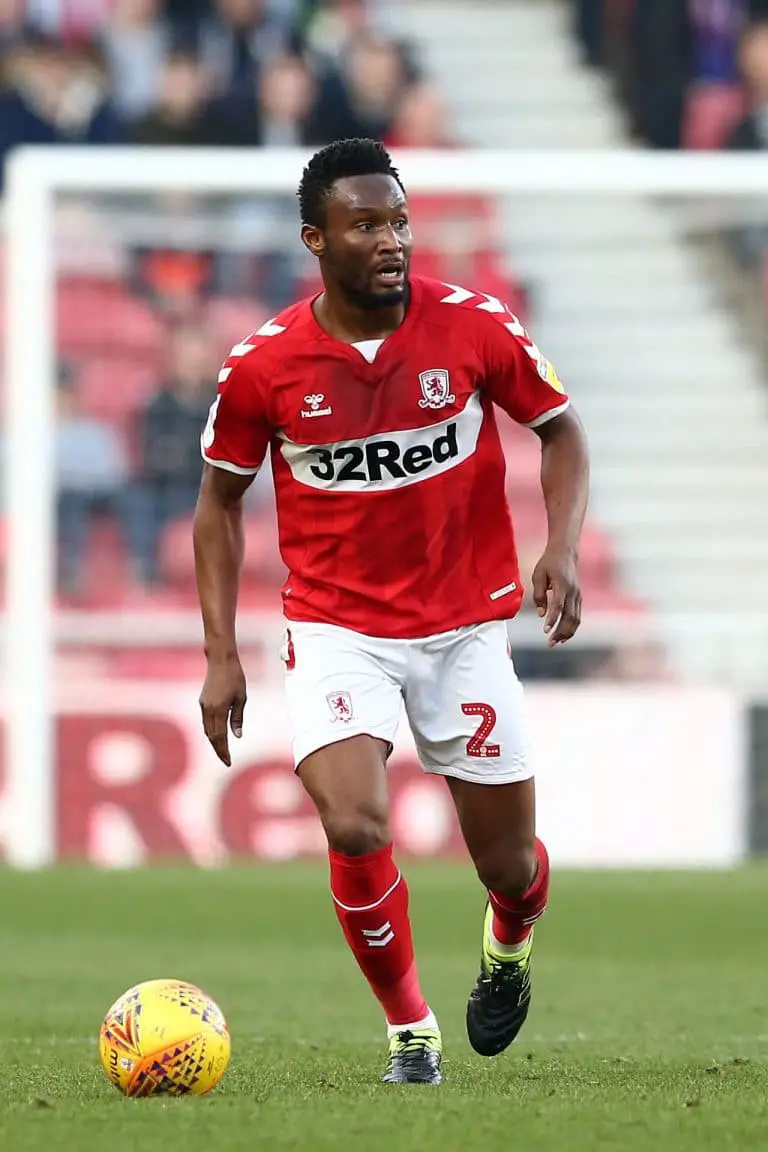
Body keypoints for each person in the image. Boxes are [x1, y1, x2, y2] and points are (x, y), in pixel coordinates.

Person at [193, 138, 589, 1085]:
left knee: (509, 867)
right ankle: (411, 1030)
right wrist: (220, 653)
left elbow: (562, 431)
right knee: (356, 824)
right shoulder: (263, 367)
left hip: (465, 627)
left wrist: (562, 548)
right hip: (338, 629)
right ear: (316, 240)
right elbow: (218, 504)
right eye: (366, 224)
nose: (391, 240)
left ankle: (508, 945)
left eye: (399, 221)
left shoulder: (473, 326)